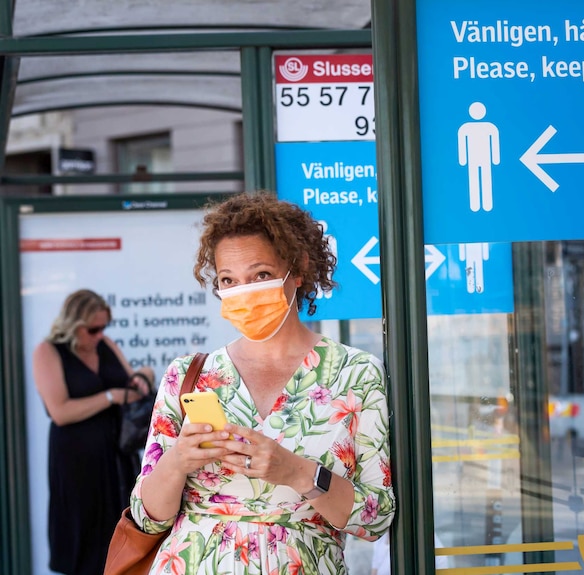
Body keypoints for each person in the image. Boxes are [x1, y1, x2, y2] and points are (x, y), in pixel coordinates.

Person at [129, 191, 395, 574]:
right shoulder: (189, 375)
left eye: (261, 275)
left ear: (298, 268)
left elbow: (375, 519)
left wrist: (296, 472)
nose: (244, 292)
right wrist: (177, 462)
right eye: (228, 280)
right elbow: (146, 516)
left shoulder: (356, 373)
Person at [32, 289, 154, 575]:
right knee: (82, 531)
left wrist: (143, 377)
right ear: (73, 324)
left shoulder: (105, 344)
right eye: (93, 329)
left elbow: (131, 379)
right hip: (76, 459)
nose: (99, 334)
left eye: (103, 327)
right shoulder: (48, 352)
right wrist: (110, 396)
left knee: (121, 530)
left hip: (117, 455)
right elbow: (60, 411)